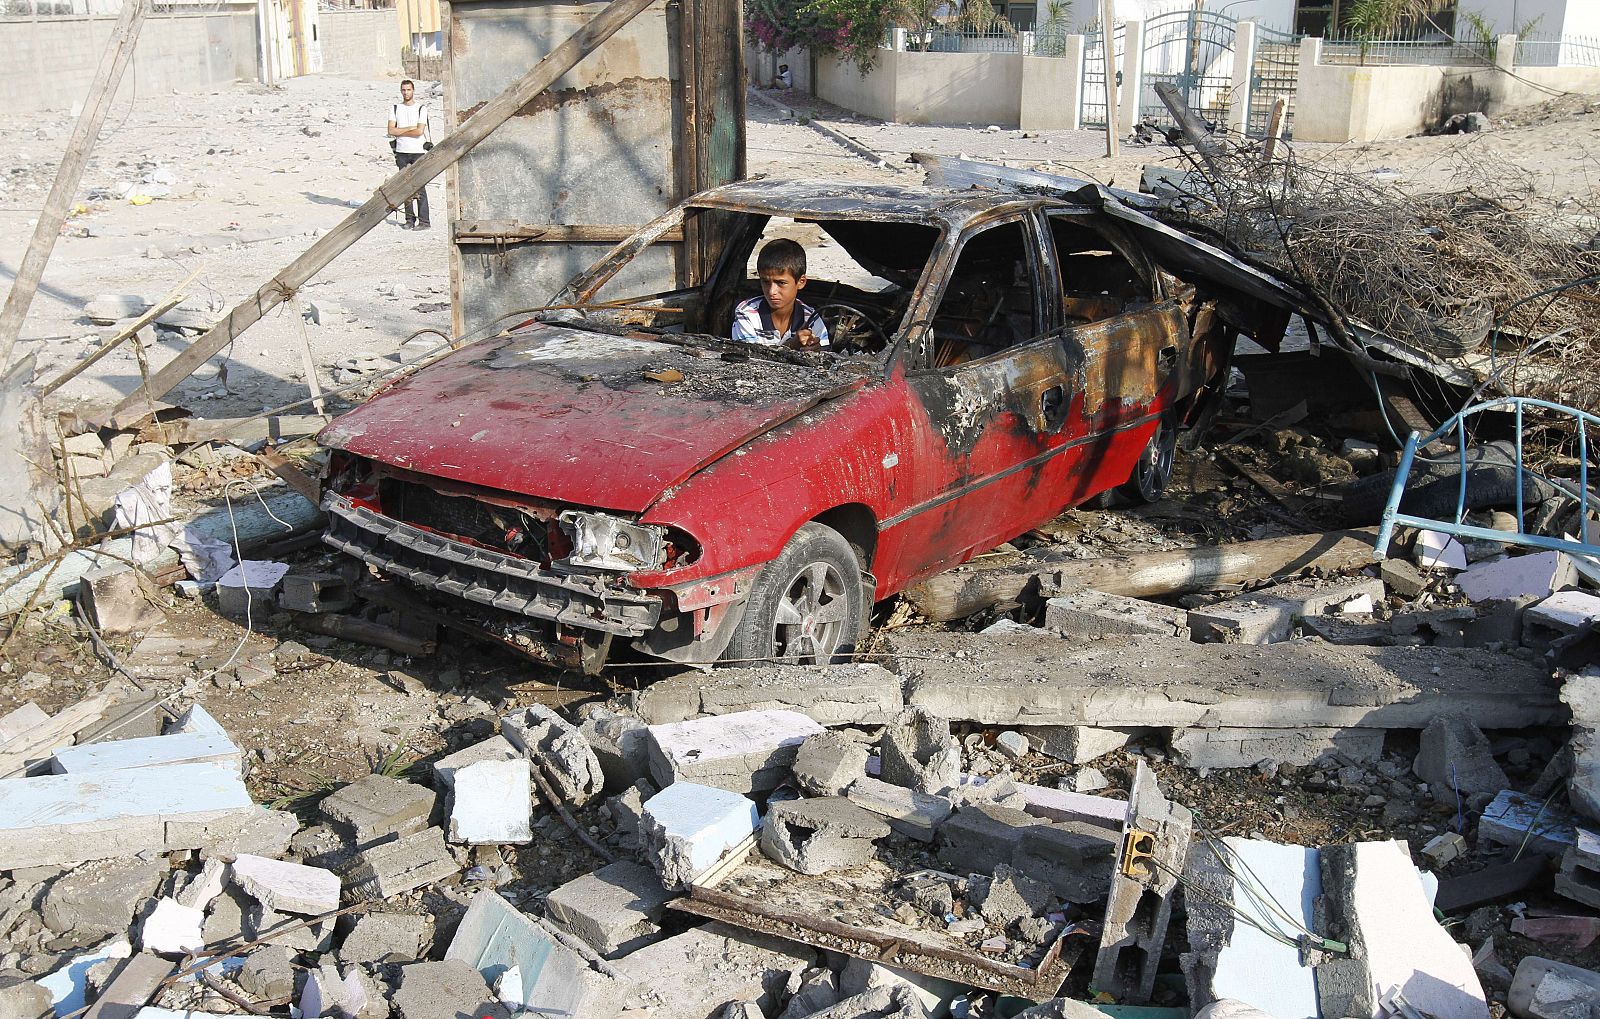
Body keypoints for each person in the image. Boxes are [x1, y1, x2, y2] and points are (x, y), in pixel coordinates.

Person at [732, 238, 830, 349]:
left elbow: (826, 356)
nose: (771, 291)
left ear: (800, 282)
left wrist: (815, 351)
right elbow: (748, 360)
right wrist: (790, 346)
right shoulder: (747, 313)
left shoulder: (811, 318)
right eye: (765, 282)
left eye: (781, 283)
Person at [387, 79, 431, 230]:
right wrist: (410, 128)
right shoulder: (395, 108)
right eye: (404, 90)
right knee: (405, 187)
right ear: (401, 91)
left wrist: (402, 130)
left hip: (418, 151)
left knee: (420, 186)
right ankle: (409, 220)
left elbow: (420, 131)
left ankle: (424, 221)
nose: (406, 92)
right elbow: (391, 131)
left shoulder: (421, 108)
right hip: (401, 151)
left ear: (413, 91)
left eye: (408, 90)